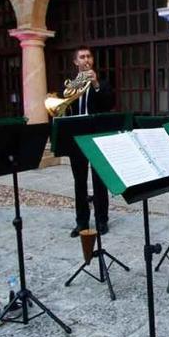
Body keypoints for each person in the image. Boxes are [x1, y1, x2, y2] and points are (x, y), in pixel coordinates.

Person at [66, 46, 114, 238]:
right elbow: (64, 108)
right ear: (76, 62)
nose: (86, 59)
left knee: (99, 180)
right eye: (82, 57)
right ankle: (82, 222)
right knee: (79, 182)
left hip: (97, 137)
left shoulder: (103, 83)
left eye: (89, 56)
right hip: (76, 138)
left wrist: (95, 84)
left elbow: (109, 104)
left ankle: (102, 220)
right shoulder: (72, 85)